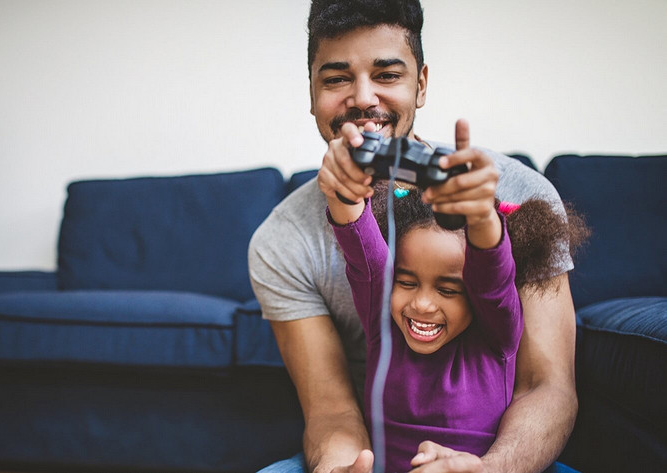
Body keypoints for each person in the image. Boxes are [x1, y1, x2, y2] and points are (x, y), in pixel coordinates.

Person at [249, 1, 581, 472]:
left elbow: (547, 387)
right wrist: (343, 467)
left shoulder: (520, 193)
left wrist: (489, 469)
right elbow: (331, 409)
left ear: (420, 84)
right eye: (337, 78)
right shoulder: (280, 241)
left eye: (386, 74)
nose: (363, 98)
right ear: (311, 93)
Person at [323, 167, 586, 471]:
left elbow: (493, 277)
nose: (421, 304)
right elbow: (364, 254)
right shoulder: (382, 325)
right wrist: (343, 189)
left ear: (475, 295)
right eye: (406, 283)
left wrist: (482, 216)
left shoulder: (496, 336)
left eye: (447, 290)